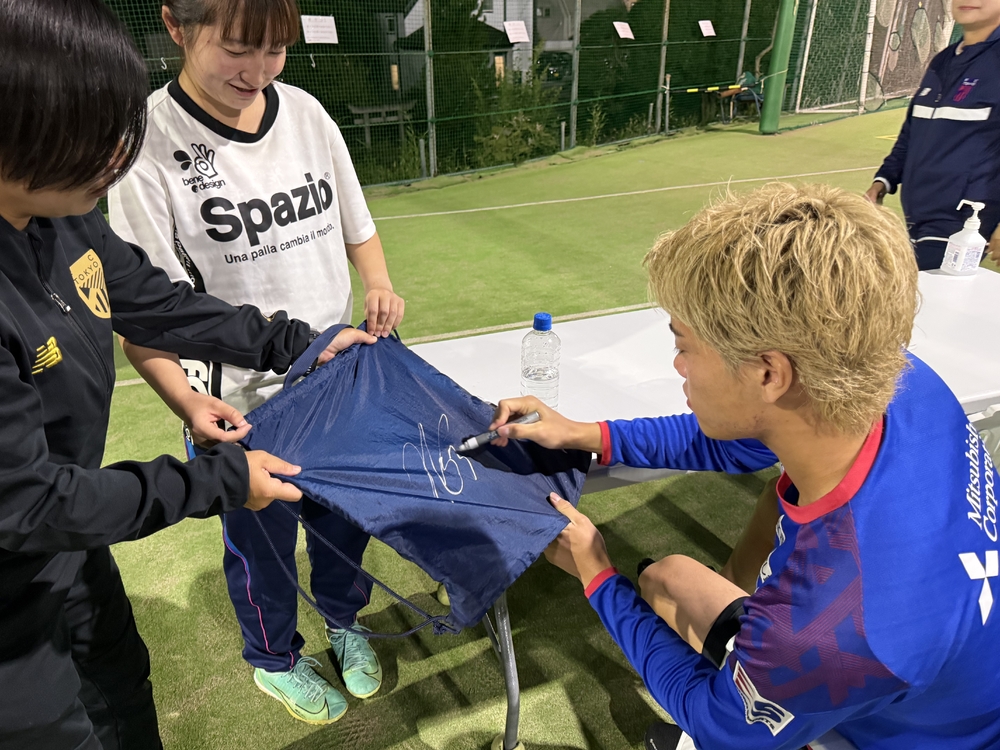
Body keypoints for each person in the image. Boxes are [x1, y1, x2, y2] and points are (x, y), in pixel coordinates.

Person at [490, 183, 1000, 748]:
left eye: (683, 345)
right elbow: (738, 441)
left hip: (887, 727)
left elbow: (718, 726)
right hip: (922, 677)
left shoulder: (832, 628)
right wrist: (583, 434)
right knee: (667, 579)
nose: (678, 365)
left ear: (768, 374)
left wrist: (597, 574)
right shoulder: (894, 378)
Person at [0, 1, 376, 747]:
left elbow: (158, 303)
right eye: (93, 133)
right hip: (14, 594)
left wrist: (296, 343)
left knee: (121, 684)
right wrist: (218, 481)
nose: (117, 156)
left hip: (68, 554)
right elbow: (28, 503)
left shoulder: (62, 217)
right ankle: (274, 655)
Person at [107, 0, 404, 725]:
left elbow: (356, 223)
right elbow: (143, 314)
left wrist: (378, 281)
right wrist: (188, 404)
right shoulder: (147, 144)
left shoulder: (304, 112)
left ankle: (344, 620)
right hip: (243, 406)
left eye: (275, 49)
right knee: (260, 549)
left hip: (338, 379)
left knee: (345, 523)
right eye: (238, 47)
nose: (259, 71)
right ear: (176, 26)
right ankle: (273, 659)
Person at [864, 0, 1000, 270]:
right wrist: (882, 181)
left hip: (962, 227)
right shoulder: (942, 61)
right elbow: (911, 134)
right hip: (916, 218)